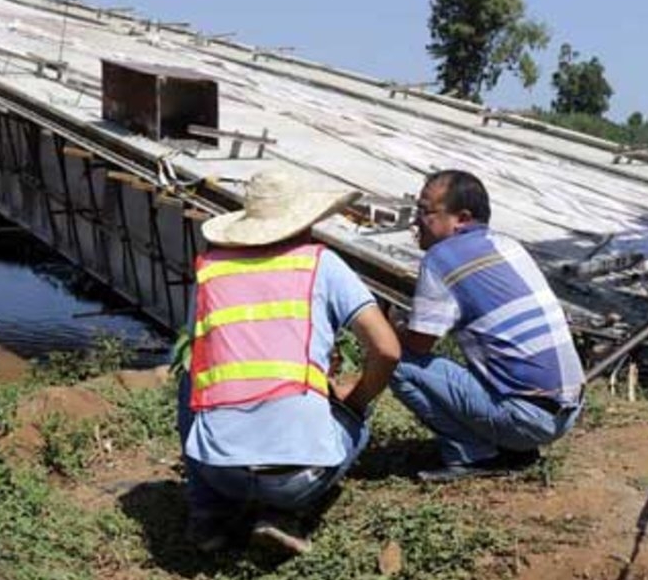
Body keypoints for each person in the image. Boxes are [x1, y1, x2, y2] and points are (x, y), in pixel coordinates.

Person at [175, 168, 400, 555]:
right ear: (307, 222)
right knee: (360, 404)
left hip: (218, 472)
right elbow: (387, 350)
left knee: (190, 380)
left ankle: (208, 517)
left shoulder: (211, 270)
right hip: (297, 481)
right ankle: (286, 515)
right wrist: (356, 400)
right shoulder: (321, 263)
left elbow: (205, 352)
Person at [390, 169, 585, 482]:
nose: (416, 222)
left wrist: (390, 326)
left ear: (462, 219)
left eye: (425, 212)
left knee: (394, 360)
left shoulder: (441, 258)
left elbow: (418, 345)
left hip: (528, 418)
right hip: (567, 410)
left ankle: (476, 455)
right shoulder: (508, 245)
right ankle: (511, 445)